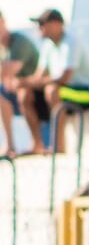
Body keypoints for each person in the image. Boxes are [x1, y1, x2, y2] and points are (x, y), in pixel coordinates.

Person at [15, 9, 89, 154]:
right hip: (66, 91)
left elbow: (64, 78)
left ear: (56, 24)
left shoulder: (71, 42)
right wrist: (24, 83)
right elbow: (39, 76)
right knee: (24, 94)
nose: (39, 27)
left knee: (52, 90)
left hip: (88, 94)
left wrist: (30, 81)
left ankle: (59, 146)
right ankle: (37, 144)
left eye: (42, 23)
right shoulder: (48, 45)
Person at [0, 11, 40, 157]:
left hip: (36, 92)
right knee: (3, 93)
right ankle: (10, 145)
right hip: (18, 91)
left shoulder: (19, 42)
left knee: (18, 94)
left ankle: (37, 144)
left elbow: (10, 69)